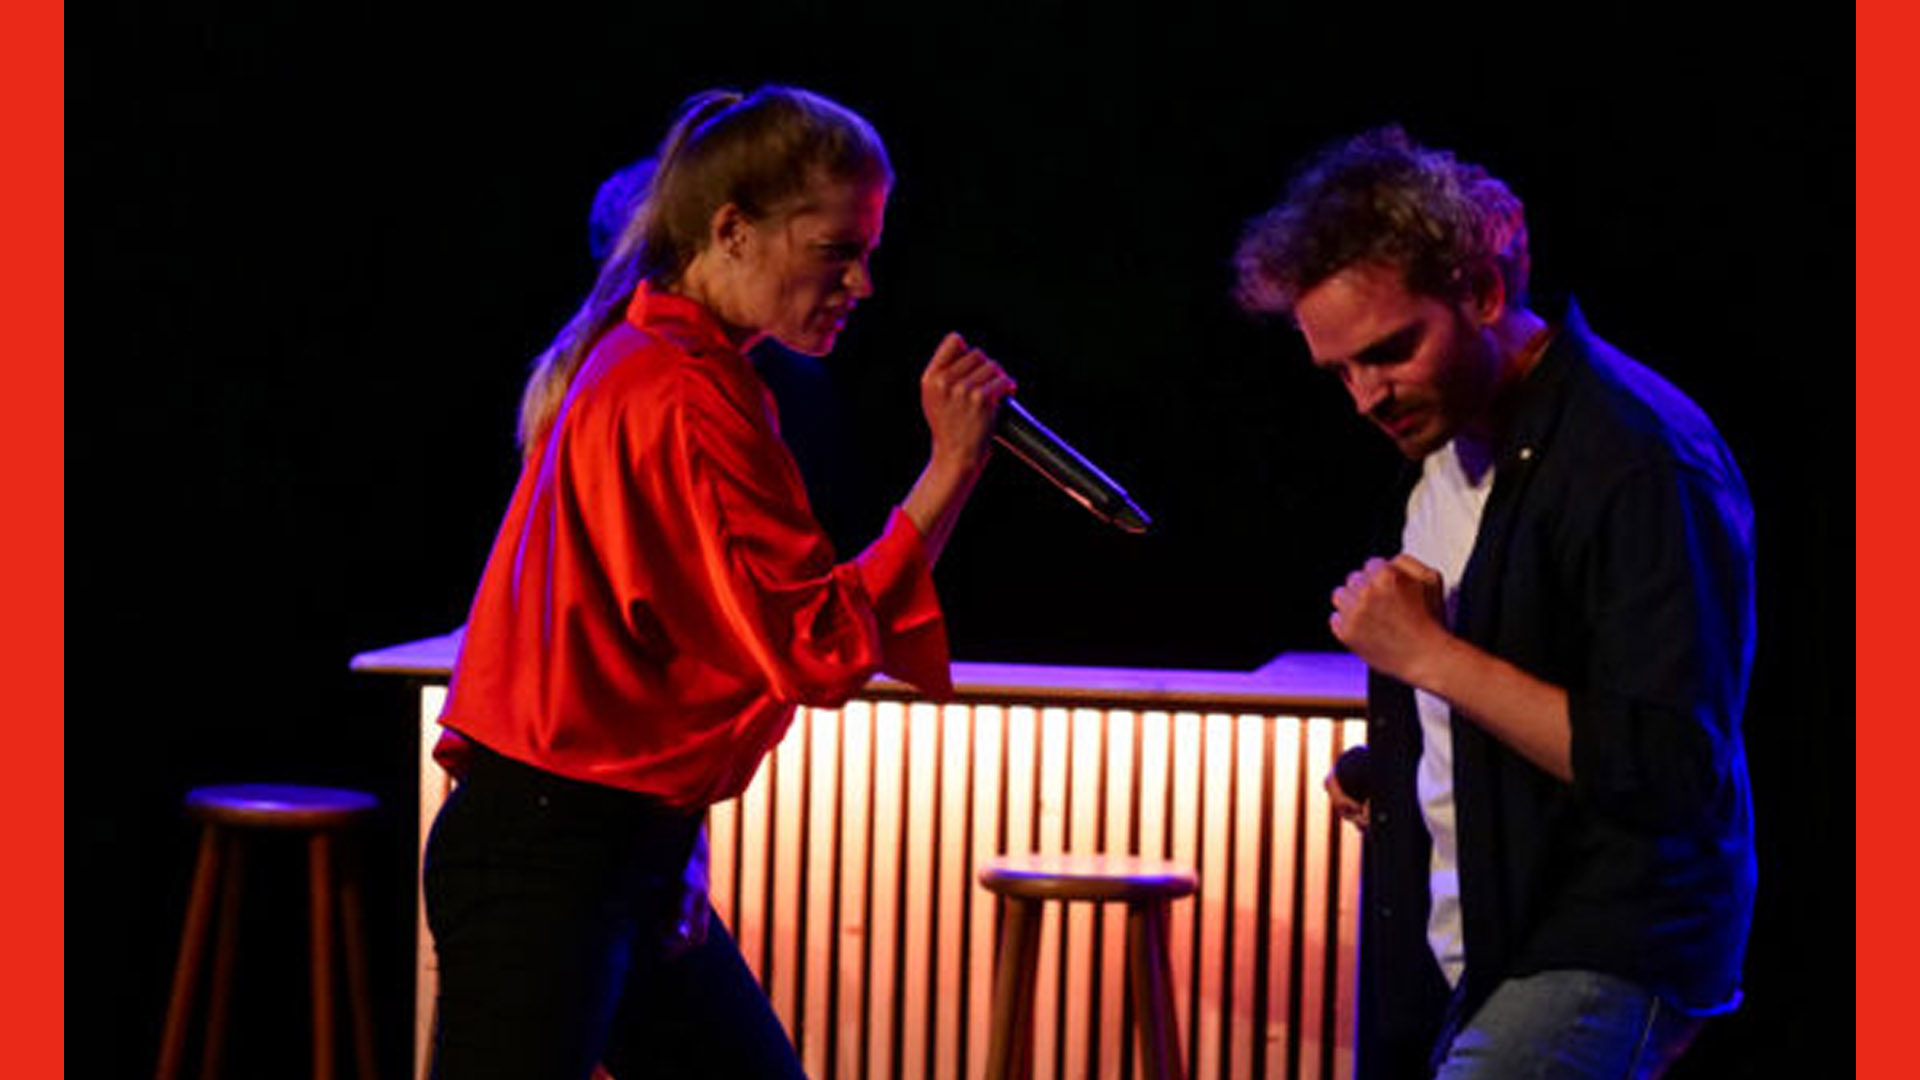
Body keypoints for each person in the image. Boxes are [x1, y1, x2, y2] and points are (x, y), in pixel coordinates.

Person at [424, 85, 1015, 1079]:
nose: (863, 283)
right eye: (835, 251)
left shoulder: (659, 362)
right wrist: (950, 468)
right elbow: (814, 647)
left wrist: (677, 842)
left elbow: (662, 653)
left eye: (868, 251)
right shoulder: (679, 391)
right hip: (550, 857)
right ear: (734, 231)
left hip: (607, 850)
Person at [1235, 128, 1756, 1079]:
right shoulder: (1446, 448)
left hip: (1603, 942)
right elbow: (1523, 688)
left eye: (1389, 352)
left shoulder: (1637, 454)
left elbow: (1670, 766)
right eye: (1341, 371)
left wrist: (1428, 656)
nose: (1365, 398)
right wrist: (1397, 768)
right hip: (1485, 950)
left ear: (1481, 290)